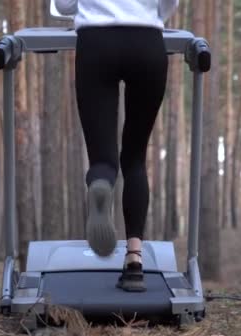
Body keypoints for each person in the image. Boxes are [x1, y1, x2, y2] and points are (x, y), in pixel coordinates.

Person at [54, 0, 178, 292]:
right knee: (134, 157)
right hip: (146, 43)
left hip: (96, 43)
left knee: (103, 160)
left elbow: (63, 4)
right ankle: (134, 261)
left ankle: (100, 182)